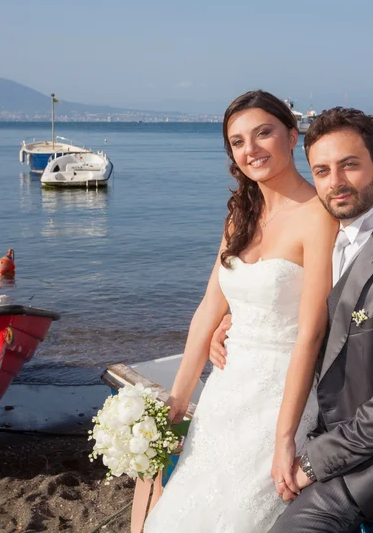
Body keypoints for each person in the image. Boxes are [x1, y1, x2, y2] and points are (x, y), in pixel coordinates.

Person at [210, 106, 373, 532]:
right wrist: (236, 317)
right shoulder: (330, 237)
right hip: (319, 429)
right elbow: (300, 313)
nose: (336, 182)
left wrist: (310, 462)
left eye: (349, 166)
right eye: (322, 171)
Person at [143, 90, 337, 532]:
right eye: (237, 141)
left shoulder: (318, 215)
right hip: (225, 392)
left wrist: (285, 438)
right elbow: (210, 307)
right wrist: (177, 400)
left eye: (262, 133)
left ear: (292, 136)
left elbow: (310, 332)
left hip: (279, 398)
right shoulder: (239, 216)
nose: (251, 150)